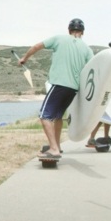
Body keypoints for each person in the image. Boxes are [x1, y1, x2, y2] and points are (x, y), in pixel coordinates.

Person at [19, 18, 93, 160]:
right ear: (82, 32)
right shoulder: (87, 49)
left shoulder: (59, 38)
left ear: (69, 30)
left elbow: (36, 47)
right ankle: (57, 146)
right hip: (73, 89)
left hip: (60, 84)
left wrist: (24, 58)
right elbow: (95, 70)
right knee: (57, 116)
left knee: (44, 116)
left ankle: (53, 149)